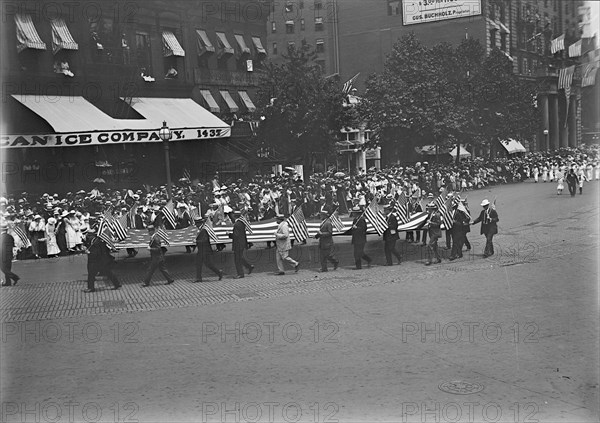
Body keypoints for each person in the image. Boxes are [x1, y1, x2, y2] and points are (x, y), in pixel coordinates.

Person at [83, 227, 120, 293]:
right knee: (108, 272)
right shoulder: (95, 239)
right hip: (101, 260)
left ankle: (91, 288)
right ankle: (117, 283)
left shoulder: (94, 241)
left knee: (91, 274)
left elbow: (96, 252)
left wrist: (89, 252)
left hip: (95, 260)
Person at [194, 218, 223, 283]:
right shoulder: (201, 230)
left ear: (200, 223)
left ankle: (219, 272)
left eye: (197, 223)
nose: (196, 225)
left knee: (209, 264)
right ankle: (199, 278)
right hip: (201, 250)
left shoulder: (204, 230)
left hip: (206, 251)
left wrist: (196, 241)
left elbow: (204, 240)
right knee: (198, 264)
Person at [231, 211, 254, 278]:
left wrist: (229, 235)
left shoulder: (237, 224)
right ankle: (249, 267)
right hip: (242, 243)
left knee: (237, 259)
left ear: (234, 216)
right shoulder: (241, 223)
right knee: (240, 258)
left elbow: (236, 235)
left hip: (238, 243)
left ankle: (240, 274)